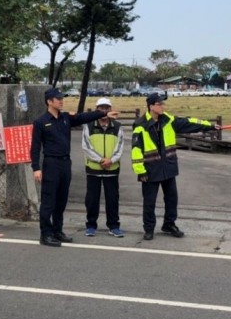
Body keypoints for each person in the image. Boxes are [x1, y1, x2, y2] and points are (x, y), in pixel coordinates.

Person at [31, 88, 119, 247]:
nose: (61, 101)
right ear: (49, 102)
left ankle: (58, 230)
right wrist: (36, 168)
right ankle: (46, 234)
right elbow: (35, 147)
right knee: (48, 201)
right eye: (58, 99)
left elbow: (84, 117)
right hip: (51, 163)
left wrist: (102, 114)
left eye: (61, 98)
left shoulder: (66, 118)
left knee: (61, 200)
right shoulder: (41, 122)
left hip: (65, 163)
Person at [131, 92, 219, 240]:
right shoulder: (140, 124)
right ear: (151, 106)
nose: (162, 106)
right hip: (150, 170)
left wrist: (210, 126)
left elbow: (189, 122)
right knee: (149, 201)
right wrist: (140, 171)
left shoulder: (168, 120)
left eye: (163, 104)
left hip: (168, 168)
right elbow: (136, 150)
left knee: (172, 199)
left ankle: (169, 224)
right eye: (159, 104)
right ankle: (149, 228)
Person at [82, 97, 125, 237]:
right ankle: (91, 225)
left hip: (111, 170)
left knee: (112, 199)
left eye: (107, 108)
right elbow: (86, 147)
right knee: (92, 200)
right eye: (101, 108)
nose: (104, 110)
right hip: (93, 170)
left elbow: (120, 147)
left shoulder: (117, 127)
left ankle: (113, 226)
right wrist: (101, 160)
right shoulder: (88, 126)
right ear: (97, 110)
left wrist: (111, 160)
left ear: (110, 110)